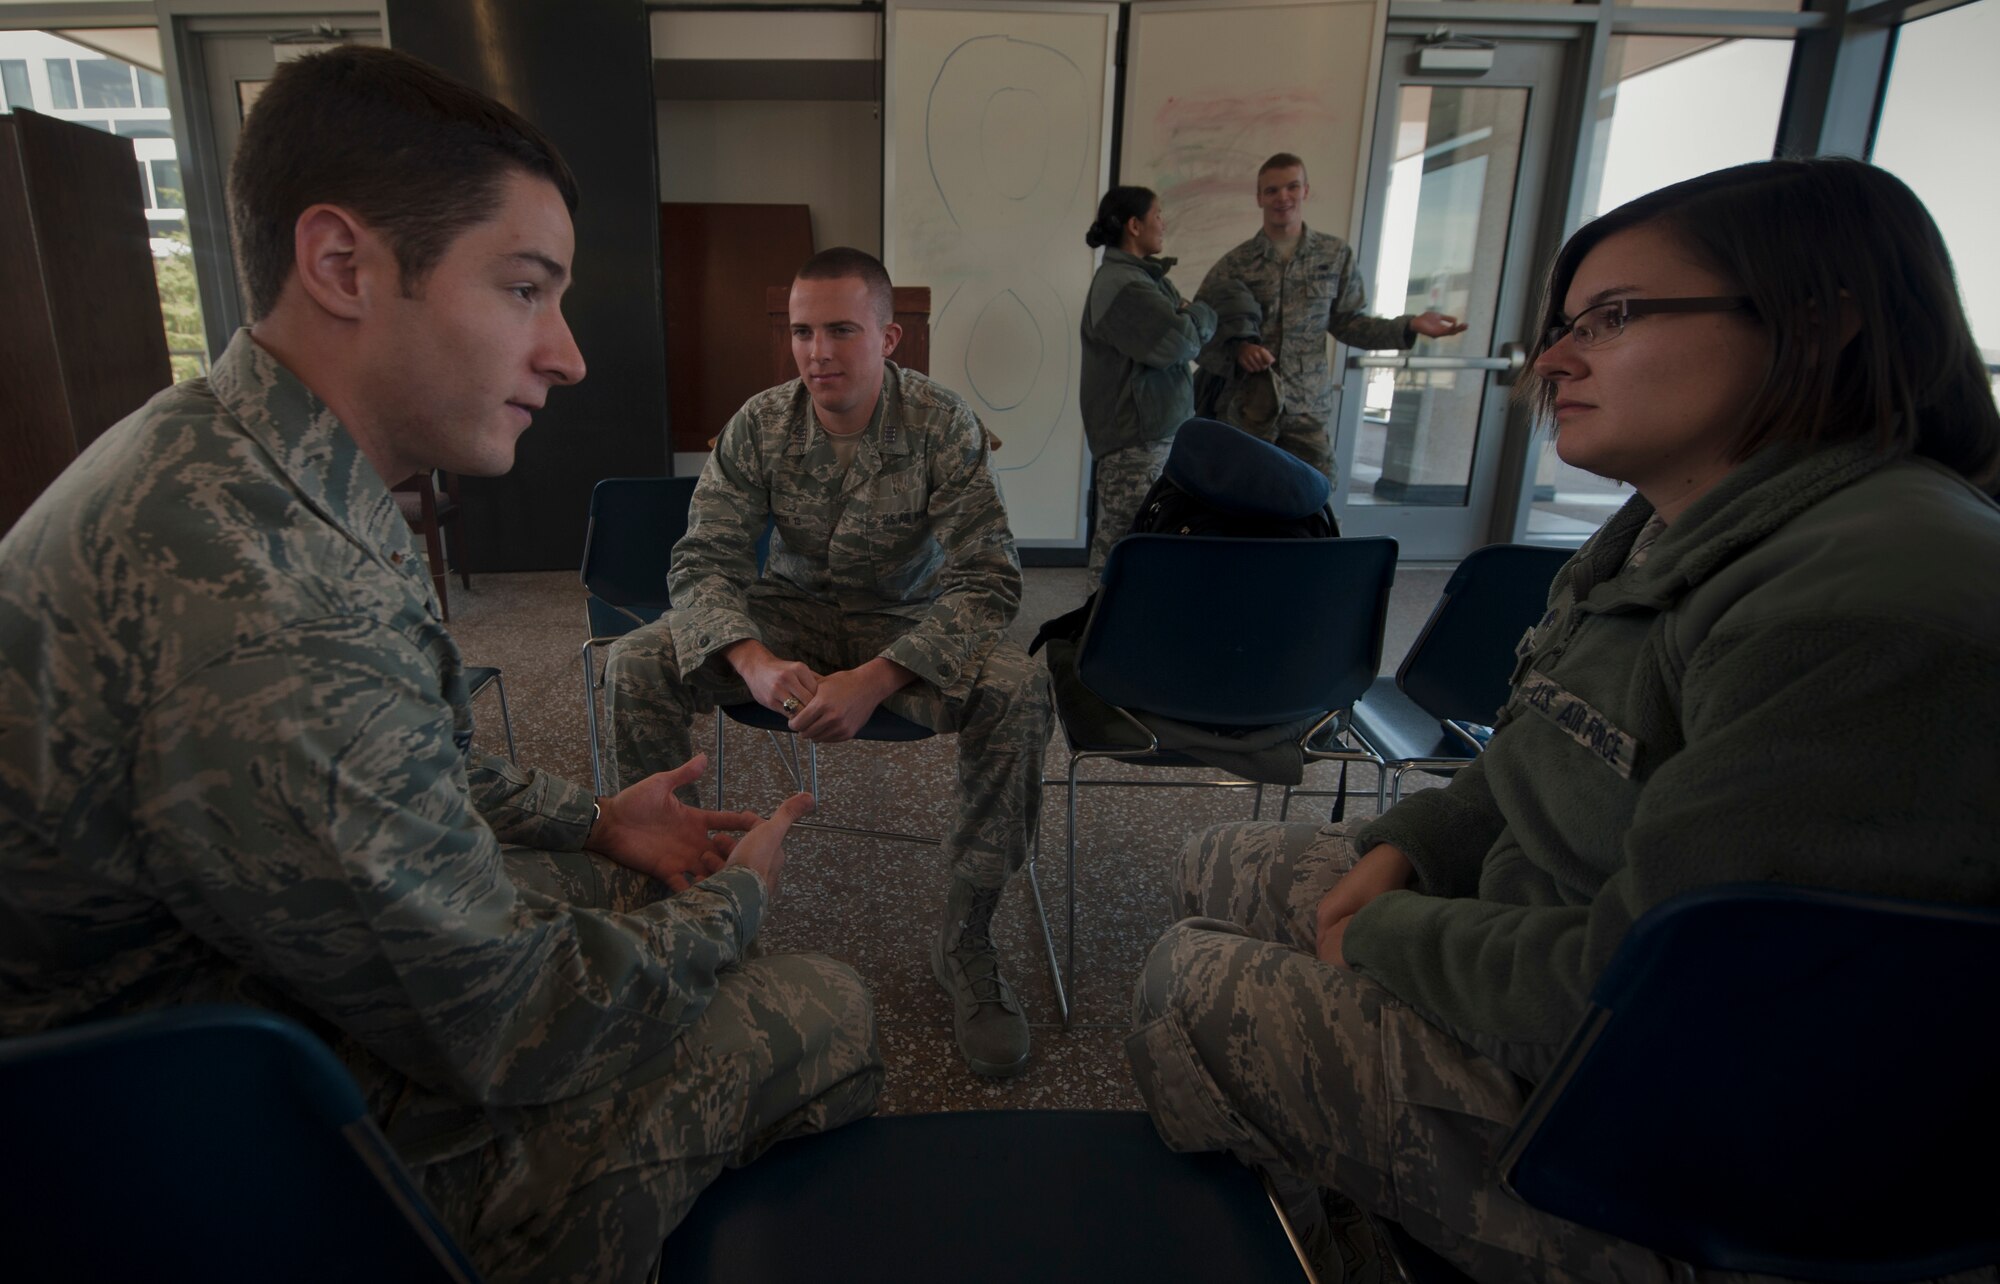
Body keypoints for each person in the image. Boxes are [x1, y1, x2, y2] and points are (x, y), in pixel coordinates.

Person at [0, 47, 882, 1284]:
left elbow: (407, 757)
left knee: (626, 899)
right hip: (187, 1156)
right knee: (826, 1006)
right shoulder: (259, 608)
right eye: (525, 288)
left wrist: (587, 822)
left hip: (211, 1017)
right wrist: (733, 903)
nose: (568, 354)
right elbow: (521, 1027)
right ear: (344, 266)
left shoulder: (221, 459)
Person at [1129, 156, 2000, 1282]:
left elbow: (1658, 1003)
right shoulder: (1669, 527)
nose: (1550, 357)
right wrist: (1414, 844)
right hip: (1562, 944)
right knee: (1223, 861)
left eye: (1615, 316)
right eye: (1563, 320)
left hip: (1666, 1158)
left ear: (1816, 322)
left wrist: (1383, 936)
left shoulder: (1870, 604)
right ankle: (1359, 1200)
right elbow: (1546, 745)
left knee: (1185, 981)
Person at [605, 248, 1053, 1080]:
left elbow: (988, 578)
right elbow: (702, 562)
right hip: (792, 617)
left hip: (904, 623)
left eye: (841, 330)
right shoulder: (760, 423)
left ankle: (967, 942)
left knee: (1019, 689)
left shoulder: (940, 423)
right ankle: (683, 915)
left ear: (888, 338)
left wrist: (880, 676)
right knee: (637, 661)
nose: (818, 352)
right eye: (803, 331)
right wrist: (751, 661)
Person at [1194, 152, 1466, 481]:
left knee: (1315, 499)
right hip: (1249, 408)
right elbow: (1200, 332)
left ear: (1306, 191)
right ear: (1259, 198)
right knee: (1239, 502)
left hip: (1307, 408)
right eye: (1272, 190)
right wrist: (1238, 352)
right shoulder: (1235, 263)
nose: (1283, 198)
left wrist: (1407, 325)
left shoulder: (1334, 256)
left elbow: (1350, 324)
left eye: (1292, 187)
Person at [1079, 185, 1217, 580]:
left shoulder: (1144, 278)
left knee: (1139, 538)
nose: (1164, 223)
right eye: (1158, 215)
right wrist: (1200, 315)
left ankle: (1108, 632)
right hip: (1136, 442)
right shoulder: (1124, 285)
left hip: (1149, 435)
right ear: (1135, 225)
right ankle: (1096, 634)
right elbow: (1178, 342)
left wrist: (1189, 317)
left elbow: (1182, 330)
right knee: (1126, 542)